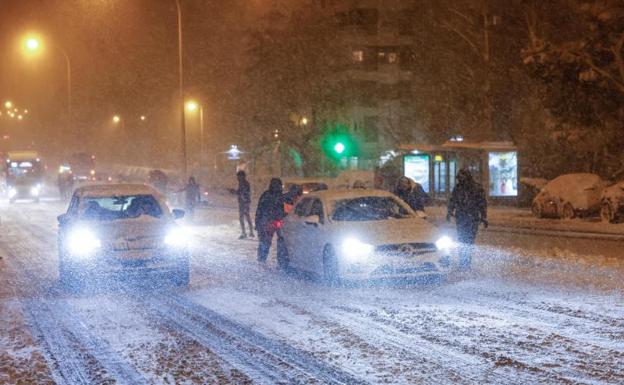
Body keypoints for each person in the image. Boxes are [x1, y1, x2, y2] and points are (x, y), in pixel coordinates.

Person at [447, 169, 488, 270]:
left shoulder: (475, 188)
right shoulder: (458, 188)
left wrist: (483, 216)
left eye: (461, 177)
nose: (460, 179)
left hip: (471, 217)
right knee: (463, 240)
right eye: (459, 177)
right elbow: (453, 200)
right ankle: (464, 262)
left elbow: (482, 203)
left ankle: (466, 262)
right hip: (462, 217)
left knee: (468, 240)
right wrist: (449, 211)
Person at [255, 178, 287, 266]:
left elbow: (259, 209)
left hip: (268, 221)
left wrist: (258, 222)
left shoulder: (266, 195)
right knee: (278, 241)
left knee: (266, 241)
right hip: (274, 221)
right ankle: (279, 260)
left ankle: (262, 258)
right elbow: (281, 209)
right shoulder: (279, 196)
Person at [229, 171, 254, 239]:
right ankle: (250, 232)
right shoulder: (243, 183)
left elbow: (242, 193)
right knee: (246, 217)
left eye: (239, 176)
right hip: (245, 202)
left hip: (244, 202)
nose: (238, 177)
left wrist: (234, 192)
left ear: (242, 176)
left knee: (242, 217)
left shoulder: (244, 183)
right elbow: (242, 192)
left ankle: (245, 233)